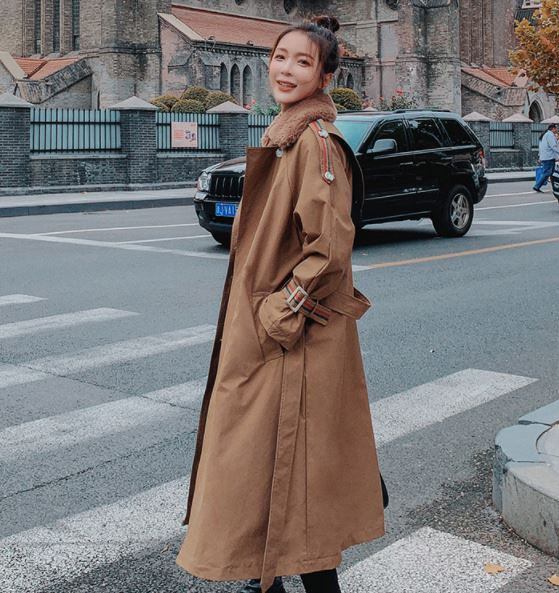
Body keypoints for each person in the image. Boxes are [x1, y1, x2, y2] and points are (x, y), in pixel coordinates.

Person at [176, 15, 385, 593]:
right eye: (280, 57)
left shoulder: (316, 144)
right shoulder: (285, 138)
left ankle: (265, 574)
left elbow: (329, 249)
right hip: (270, 339)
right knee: (267, 472)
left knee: (290, 476)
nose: (286, 70)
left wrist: (278, 314)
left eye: (302, 61)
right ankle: (258, 574)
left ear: (324, 77)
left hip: (291, 341)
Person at [533, 123, 559, 192]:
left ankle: (555, 186)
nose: (557, 130)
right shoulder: (550, 135)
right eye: (556, 128)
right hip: (548, 157)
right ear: (553, 128)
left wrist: (540, 156)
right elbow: (553, 146)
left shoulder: (545, 135)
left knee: (552, 173)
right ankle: (537, 186)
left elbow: (541, 147)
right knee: (547, 173)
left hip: (546, 157)